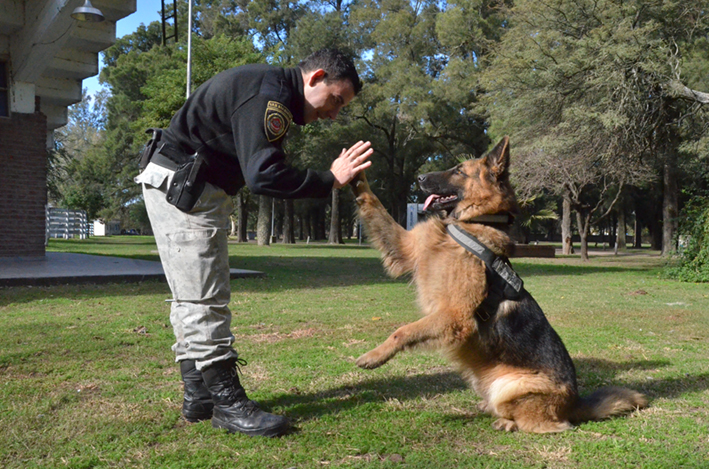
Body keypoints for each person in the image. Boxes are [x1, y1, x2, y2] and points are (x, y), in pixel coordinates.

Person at [135, 49, 373, 437]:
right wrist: (330, 179)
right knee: (203, 296)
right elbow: (264, 175)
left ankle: (199, 396)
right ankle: (228, 404)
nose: (333, 114)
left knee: (190, 294)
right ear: (315, 78)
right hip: (185, 186)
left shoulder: (269, 88)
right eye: (335, 100)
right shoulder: (271, 96)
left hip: (177, 181)